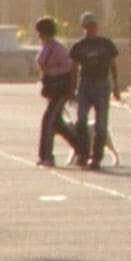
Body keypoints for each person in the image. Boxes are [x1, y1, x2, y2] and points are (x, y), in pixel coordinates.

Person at [67, 12, 122, 170]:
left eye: (93, 26)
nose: (91, 29)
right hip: (85, 85)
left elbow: (113, 64)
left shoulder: (106, 44)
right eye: (88, 26)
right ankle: (83, 153)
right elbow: (74, 68)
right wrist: (72, 89)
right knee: (81, 121)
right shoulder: (79, 46)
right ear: (83, 27)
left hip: (102, 84)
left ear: (97, 27)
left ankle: (96, 157)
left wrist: (116, 86)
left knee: (101, 124)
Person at [30, 18, 75, 168]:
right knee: (58, 123)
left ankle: (47, 156)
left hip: (60, 90)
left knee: (48, 120)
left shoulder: (57, 48)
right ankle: (82, 149)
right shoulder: (46, 47)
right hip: (51, 90)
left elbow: (68, 66)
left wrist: (51, 71)